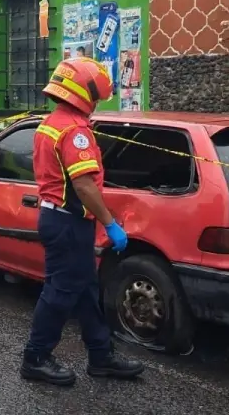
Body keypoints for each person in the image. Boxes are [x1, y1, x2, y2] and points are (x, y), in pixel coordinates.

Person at [21, 57, 145, 386]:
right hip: (67, 222)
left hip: (59, 218)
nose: (96, 104)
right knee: (60, 292)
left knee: (87, 289)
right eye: (96, 98)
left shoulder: (52, 122)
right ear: (84, 94)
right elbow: (84, 185)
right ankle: (35, 357)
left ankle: (101, 355)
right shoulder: (75, 132)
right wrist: (110, 223)